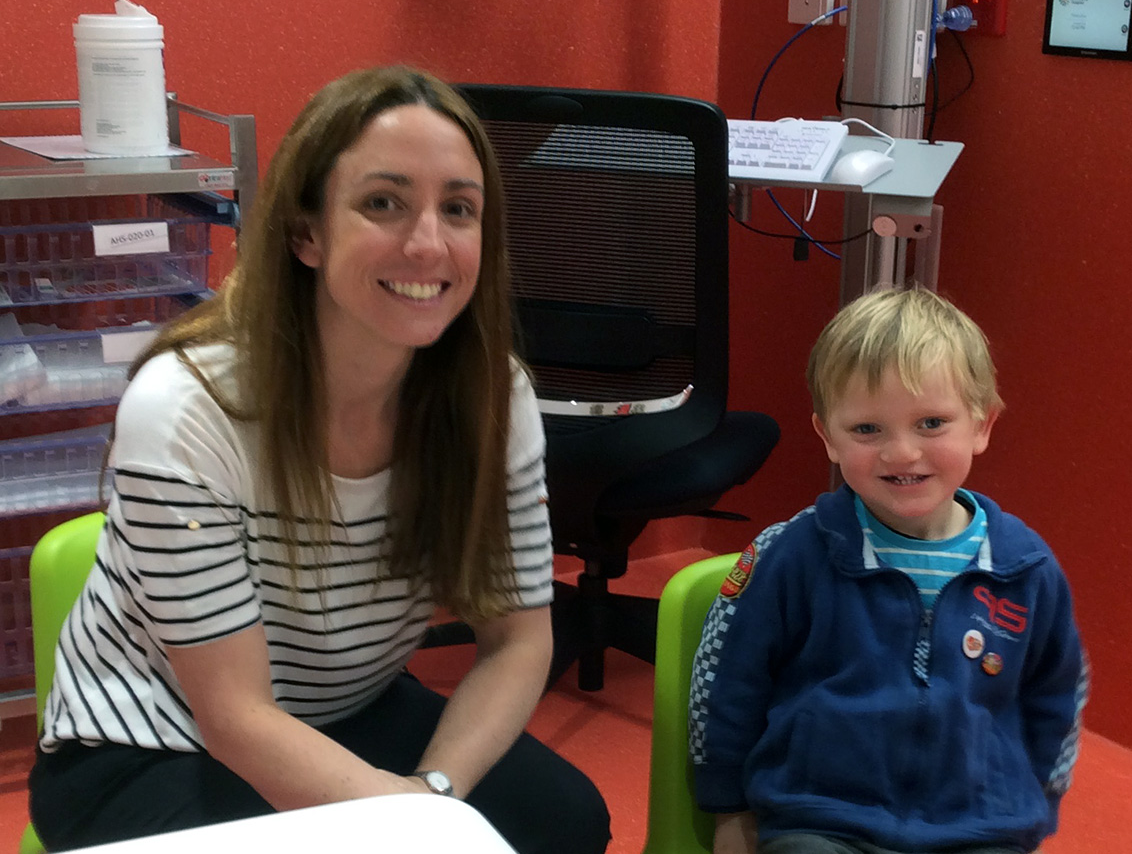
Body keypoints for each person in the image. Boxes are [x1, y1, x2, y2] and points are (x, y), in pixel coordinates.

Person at [28, 65, 610, 854]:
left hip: (348, 713)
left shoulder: (491, 395)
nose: (429, 241)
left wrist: (431, 796)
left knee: (565, 823)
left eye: (460, 209)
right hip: (152, 743)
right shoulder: (189, 406)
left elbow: (518, 641)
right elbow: (234, 715)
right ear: (306, 232)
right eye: (383, 202)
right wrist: (412, 827)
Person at [689, 288, 1087, 854]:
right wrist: (729, 807)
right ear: (827, 436)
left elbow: (1058, 694)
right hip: (823, 817)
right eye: (867, 430)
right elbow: (730, 679)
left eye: (930, 422)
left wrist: (1036, 805)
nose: (901, 454)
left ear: (982, 424)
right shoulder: (792, 553)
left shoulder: (1025, 567)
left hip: (979, 825)